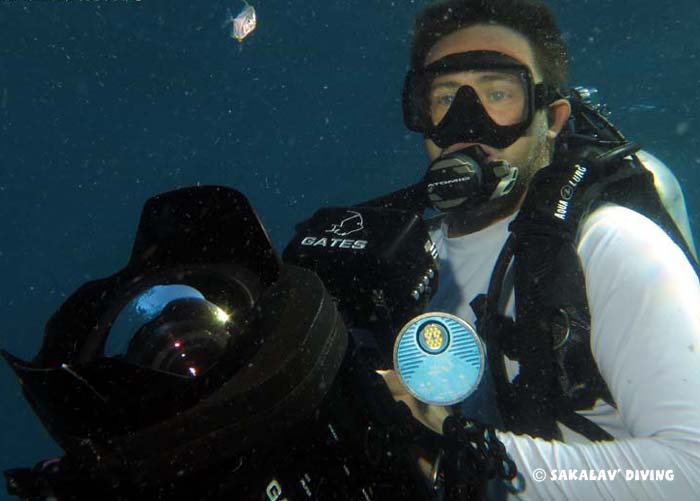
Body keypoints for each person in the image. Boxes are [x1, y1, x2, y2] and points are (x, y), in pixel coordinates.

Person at [382, 0, 700, 499]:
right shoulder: (404, 259)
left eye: (499, 93)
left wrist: (466, 455)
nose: (468, 123)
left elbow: (690, 472)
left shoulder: (610, 245)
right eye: (445, 98)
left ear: (551, 116)